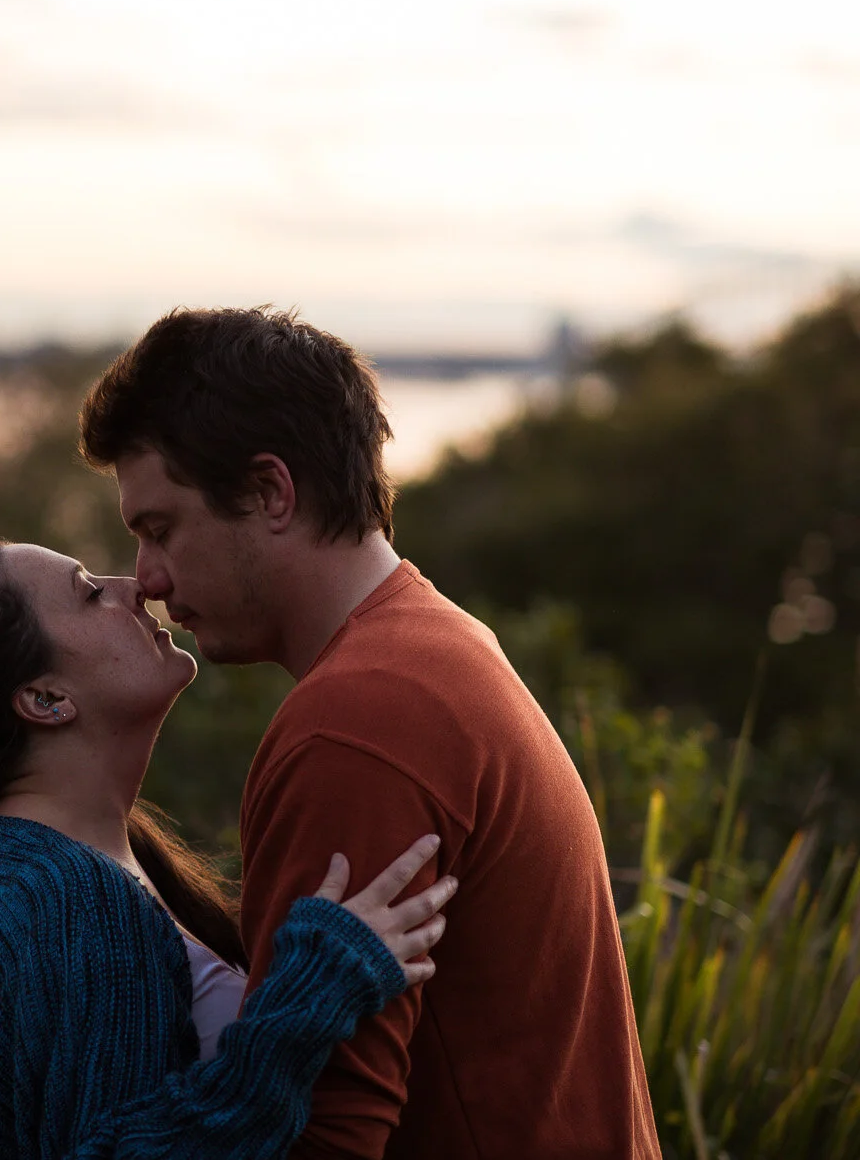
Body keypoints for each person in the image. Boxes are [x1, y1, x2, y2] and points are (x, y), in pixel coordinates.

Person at [79, 306, 661, 1159]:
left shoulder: (353, 730)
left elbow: (318, 1135)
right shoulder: (439, 642)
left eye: (161, 529)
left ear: (272, 492)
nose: (150, 578)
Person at [0, 539, 458, 1160]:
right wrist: (313, 995)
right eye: (91, 593)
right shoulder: (75, 903)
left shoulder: (24, 868)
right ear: (47, 700)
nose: (134, 586)